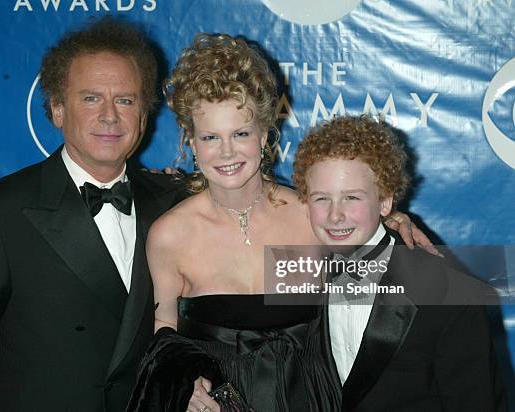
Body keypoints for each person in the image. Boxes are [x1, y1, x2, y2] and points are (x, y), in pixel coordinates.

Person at [126, 34, 433, 412]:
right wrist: (183, 385)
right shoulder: (171, 234)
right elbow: (164, 328)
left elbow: (372, 266)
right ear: (191, 141)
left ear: (265, 133)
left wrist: (393, 218)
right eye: (210, 137)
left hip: (311, 397)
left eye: (240, 133)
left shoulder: (307, 214)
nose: (226, 152)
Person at [0, 17, 185, 411]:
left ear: (144, 114)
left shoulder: (174, 201)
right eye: (90, 98)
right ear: (56, 109)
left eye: (125, 99)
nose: (109, 116)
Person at [293, 115, 505, 411]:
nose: (335, 215)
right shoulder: (297, 276)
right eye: (321, 199)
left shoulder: (453, 297)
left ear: (385, 202)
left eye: (351, 197)